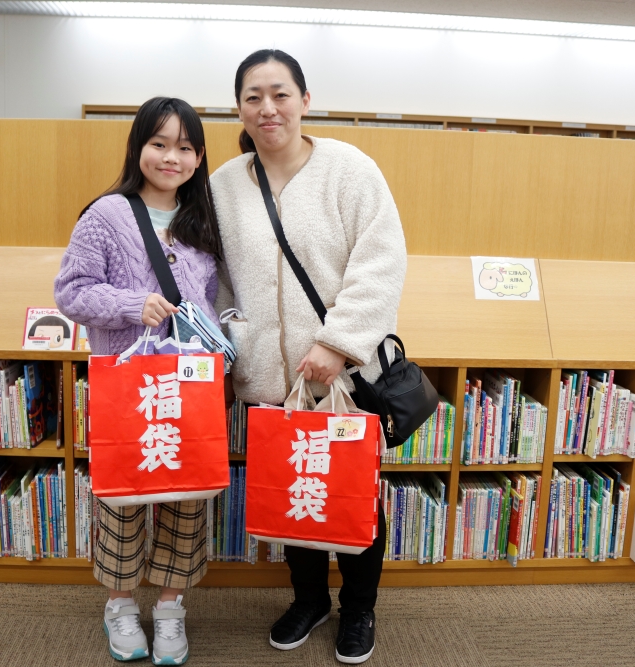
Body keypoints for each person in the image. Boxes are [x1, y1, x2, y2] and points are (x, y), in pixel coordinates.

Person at [210, 50, 407, 664]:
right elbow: (214, 276)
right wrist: (231, 339)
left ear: (304, 98)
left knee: (351, 493)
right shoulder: (222, 183)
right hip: (270, 377)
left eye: (280, 93)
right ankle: (309, 599)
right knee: (294, 490)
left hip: (343, 376)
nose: (267, 108)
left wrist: (337, 343)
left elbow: (381, 262)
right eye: (252, 96)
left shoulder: (350, 170)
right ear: (238, 106)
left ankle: (359, 607)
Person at [54, 96, 221, 665]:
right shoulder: (105, 215)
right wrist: (132, 304)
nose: (170, 157)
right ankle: (121, 604)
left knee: (185, 496)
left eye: (183, 147)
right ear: (138, 147)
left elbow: (215, 300)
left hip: (191, 384)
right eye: (158, 143)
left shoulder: (204, 220)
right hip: (128, 384)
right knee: (123, 496)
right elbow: (71, 292)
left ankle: (171, 607)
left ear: (198, 158)